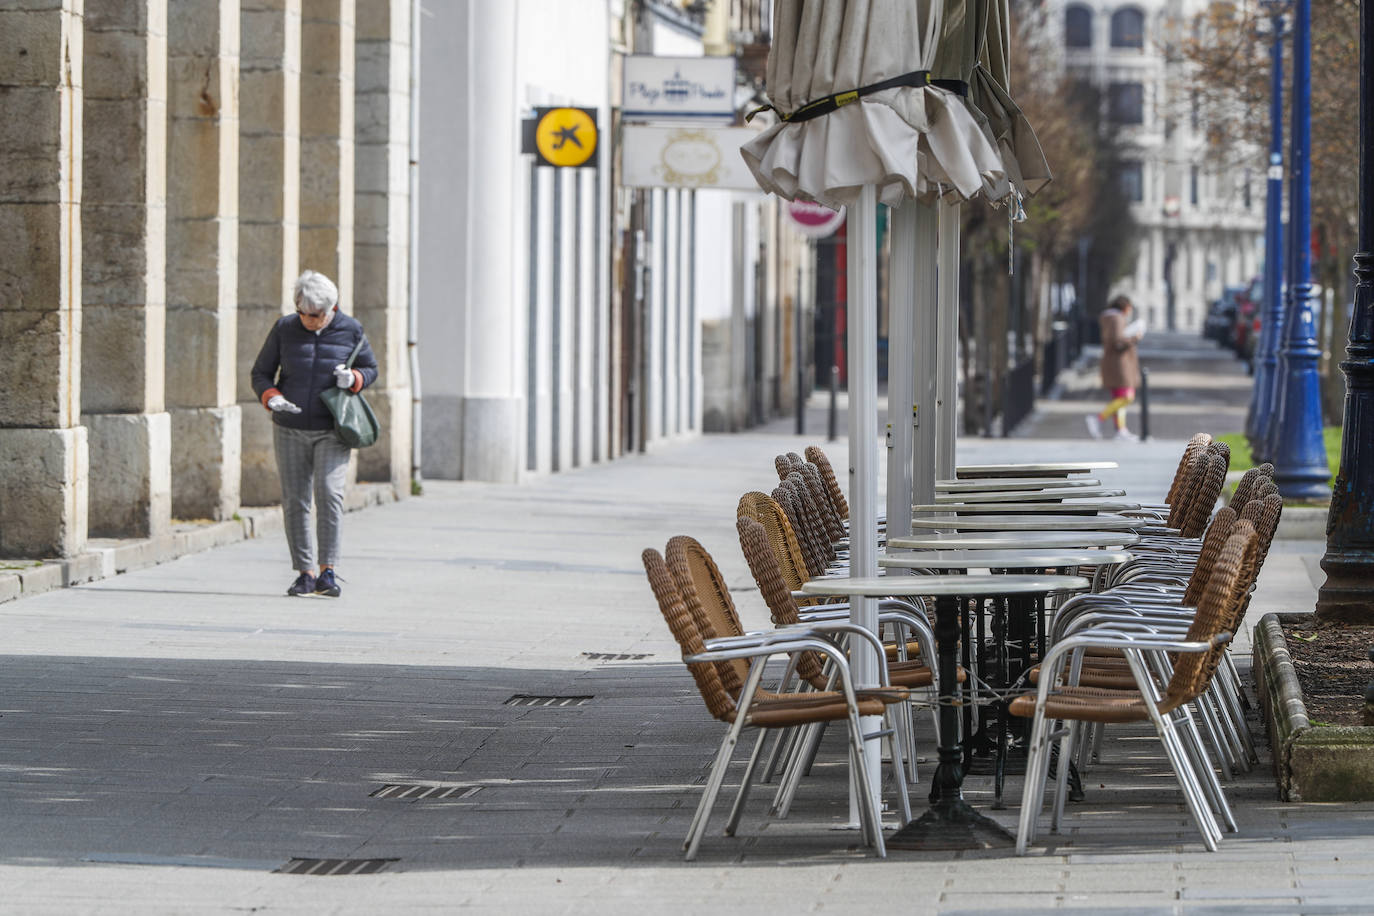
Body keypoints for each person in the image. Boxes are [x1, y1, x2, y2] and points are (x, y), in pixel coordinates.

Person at [252, 270, 378, 597]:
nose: (309, 320)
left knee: (329, 494)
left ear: (332, 309)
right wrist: (272, 398)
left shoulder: (351, 329)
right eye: (303, 313)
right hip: (290, 428)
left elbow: (370, 368)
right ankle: (304, 573)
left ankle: (329, 572)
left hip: (332, 429)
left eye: (317, 315)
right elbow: (261, 373)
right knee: (295, 500)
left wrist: (354, 379)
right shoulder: (284, 329)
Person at [1086, 295, 1144, 441]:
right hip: (1119, 364)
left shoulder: (1109, 318)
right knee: (1127, 397)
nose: (1130, 311)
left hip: (1113, 363)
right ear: (1124, 307)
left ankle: (1121, 430)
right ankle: (1098, 419)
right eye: (1129, 307)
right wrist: (1135, 337)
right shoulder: (1117, 319)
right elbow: (1118, 342)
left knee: (1119, 398)